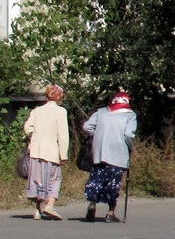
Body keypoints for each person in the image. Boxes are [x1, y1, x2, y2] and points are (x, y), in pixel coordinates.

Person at [82, 90, 137, 223]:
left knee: (97, 179)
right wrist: (131, 147)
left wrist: (98, 134)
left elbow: (86, 126)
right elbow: (129, 134)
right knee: (113, 183)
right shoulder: (130, 115)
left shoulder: (101, 112)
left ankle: (92, 204)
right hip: (118, 153)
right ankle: (110, 213)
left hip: (100, 152)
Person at [23, 85, 71, 220]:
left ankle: (37, 210)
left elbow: (27, 128)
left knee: (38, 180)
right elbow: (63, 135)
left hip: (36, 151)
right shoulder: (60, 111)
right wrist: (64, 154)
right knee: (55, 179)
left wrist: (34, 136)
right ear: (59, 97)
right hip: (51, 152)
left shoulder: (37, 111)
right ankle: (49, 205)